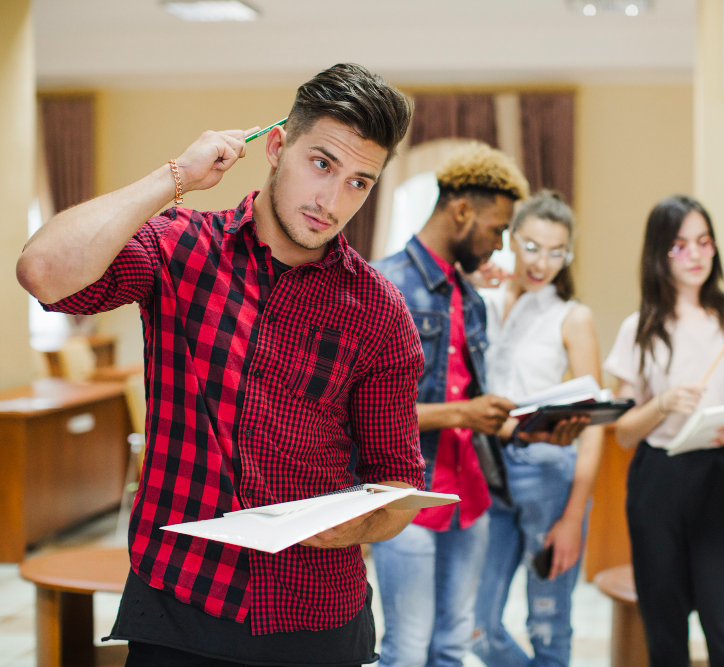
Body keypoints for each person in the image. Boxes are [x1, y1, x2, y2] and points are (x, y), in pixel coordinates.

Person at [17, 63, 424, 666]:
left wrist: (356, 528)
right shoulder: (180, 245)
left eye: (359, 183)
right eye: (322, 164)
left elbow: (399, 486)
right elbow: (43, 273)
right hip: (180, 599)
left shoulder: (379, 310)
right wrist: (175, 176)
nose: (332, 200)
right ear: (278, 147)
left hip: (315, 613)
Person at [603, 195, 724, 667]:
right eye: (681, 245)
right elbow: (623, 432)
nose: (697, 254)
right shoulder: (638, 328)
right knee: (664, 634)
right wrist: (661, 403)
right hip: (658, 479)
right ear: (660, 253)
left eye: (704, 242)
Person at [369, 143, 530, 667]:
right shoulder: (383, 285)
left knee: (453, 647)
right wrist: (465, 412)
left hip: (470, 499)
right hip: (408, 501)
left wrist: (534, 426)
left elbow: (473, 400)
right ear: (462, 211)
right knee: (407, 649)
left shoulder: (473, 298)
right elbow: (363, 412)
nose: (500, 244)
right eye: (498, 228)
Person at [472, 191, 603, 667]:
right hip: (486, 466)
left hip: (547, 473)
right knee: (475, 625)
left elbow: (592, 426)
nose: (542, 262)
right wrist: (474, 275)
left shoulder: (571, 316)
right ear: (511, 239)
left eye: (556, 252)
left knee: (547, 622)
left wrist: (572, 517)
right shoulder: (480, 300)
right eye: (531, 247)